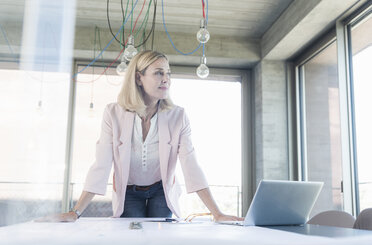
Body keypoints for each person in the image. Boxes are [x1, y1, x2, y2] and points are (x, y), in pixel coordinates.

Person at [39, 50, 242, 222]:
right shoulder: (113, 113)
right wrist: (75, 212)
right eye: (159, 73)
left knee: (159, 240)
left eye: (168, 73)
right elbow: (101, 165)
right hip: (128, 192)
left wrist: (217, 213)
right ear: (138, 78)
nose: (166, 79)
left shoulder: (178, 116)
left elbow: (191, 164)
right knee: (132, 238)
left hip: (162, 190)